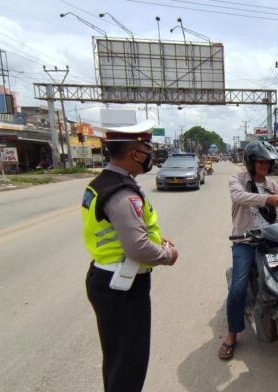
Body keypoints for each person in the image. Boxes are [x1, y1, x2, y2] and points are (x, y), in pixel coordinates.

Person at [82, 126, 179, 392]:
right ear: (135, 153)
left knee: (117, 360)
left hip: (106, 278)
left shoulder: (101, 183)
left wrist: (155, 239)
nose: (150, 156)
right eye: (147, 150)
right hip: (123, 287)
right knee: (129, 365)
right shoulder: (122, 193)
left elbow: (124, 232)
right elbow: (138, 249)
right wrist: (167, 254)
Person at [220, 141, 278, 360]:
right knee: (238, 288)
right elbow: (241, 198)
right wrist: (267, 198)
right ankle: (232, 333)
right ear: (250, 162)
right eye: (260, 161)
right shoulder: (237, 180)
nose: (265, 165)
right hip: (245, 241)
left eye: (268, 162)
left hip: (270, 241)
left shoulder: (273, 185)